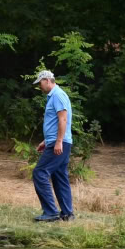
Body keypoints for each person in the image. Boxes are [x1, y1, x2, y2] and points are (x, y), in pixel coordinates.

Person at [32, 69, 74, 222]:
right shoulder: (54, 96)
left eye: (40, 83)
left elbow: (63, 120)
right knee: (59, 177)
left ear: (47, 80)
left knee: (40, 172)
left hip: (60, 143)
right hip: (57, 142)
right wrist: (47, 141)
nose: (39, 87)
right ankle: (67, 214)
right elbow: (55, 122)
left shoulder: (57, 95)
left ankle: (50, 213)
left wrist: (58, 142)